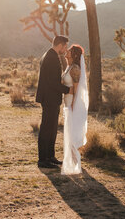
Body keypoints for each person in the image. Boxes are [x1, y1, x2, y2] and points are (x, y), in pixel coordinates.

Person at [36, 35, 70, 168]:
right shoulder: (51, 58)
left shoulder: (49, 55)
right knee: (46, 128)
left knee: (52, 128)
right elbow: (52, 82)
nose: (65, 49)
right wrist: (68, 90)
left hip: (50, 98)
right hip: (49, 98)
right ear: (60, 45)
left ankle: (50, 156)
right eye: (65, 46)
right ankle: (43, 159)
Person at [61, 44, 88, 175]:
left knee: (71, 131)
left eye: (70, 51)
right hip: (67, 100)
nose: (67, 51)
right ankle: (72, 159)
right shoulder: (68, 67)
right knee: (68, 131)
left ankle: (76, 162)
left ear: (75, 55)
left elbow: (77, 88)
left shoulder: (75, 68)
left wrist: (73, 104)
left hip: (72, 101)